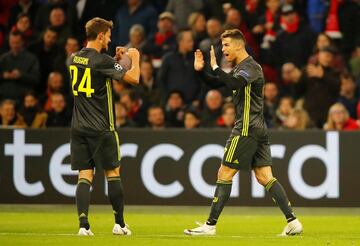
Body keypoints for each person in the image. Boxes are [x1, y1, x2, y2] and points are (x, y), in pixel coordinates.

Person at [184, 29, 303, 236]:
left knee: (224, 173)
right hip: (258, 129)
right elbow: (218, 82)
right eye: (222, 46)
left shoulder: (251, 67)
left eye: (227, 45)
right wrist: (200, 71)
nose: (224, 50)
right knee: (265, 177)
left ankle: (210, 225)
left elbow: (232, 82)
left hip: (246, 129)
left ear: (239, 45)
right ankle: (293, 221)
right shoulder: (241, 68)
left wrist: (215, 66)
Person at [68, 17, 140, 236]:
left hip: (78, 127)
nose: (109, 39)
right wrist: (134, 58)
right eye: (108, 35)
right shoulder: (103, 62)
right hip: (102, 127)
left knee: (84, 175)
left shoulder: (73, 58)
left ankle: (83, 226)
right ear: (100, 35)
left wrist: (114, 60)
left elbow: (97, 68)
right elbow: (134, 78)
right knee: (113, 173)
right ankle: (119, 224)